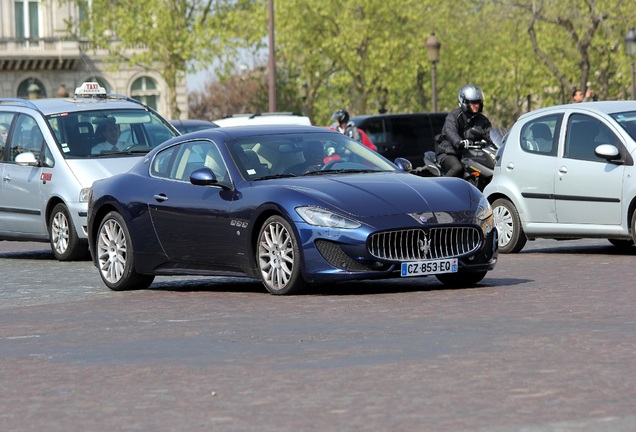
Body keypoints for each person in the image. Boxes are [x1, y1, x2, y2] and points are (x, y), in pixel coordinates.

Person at [435, 84, 492, 178]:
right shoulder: (454, 116)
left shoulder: (482, 120)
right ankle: (441, 190)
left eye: (478, 102)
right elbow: (450, 131)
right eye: (472, 102)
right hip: (450, 152)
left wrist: (500, 142)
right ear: (464, 102)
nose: (476, 105)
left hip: (470, 153)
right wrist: (459, 142)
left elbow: (489, 133)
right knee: (457, 168)